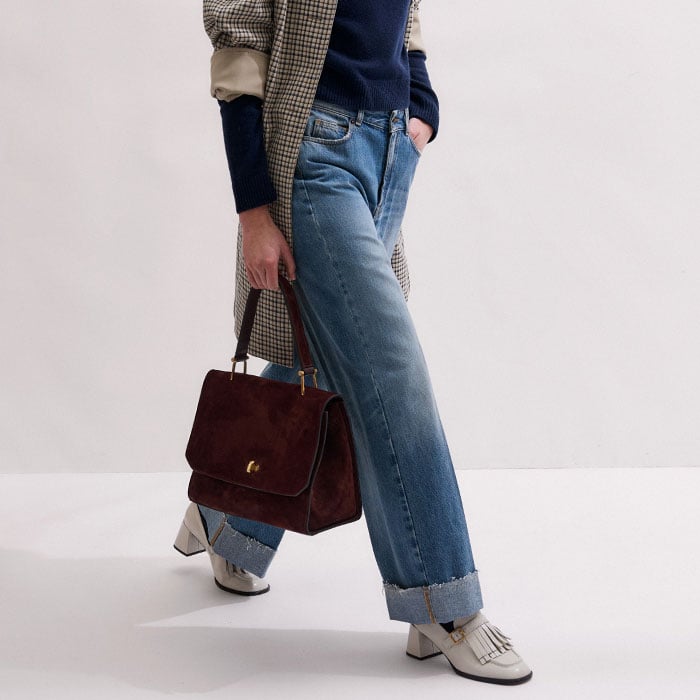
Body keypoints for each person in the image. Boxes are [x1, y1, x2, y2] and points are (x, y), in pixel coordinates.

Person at [174, 0, 532, 685]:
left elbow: (406, 14)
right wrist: (254, 210)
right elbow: (239, 40)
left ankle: (226, 517)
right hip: (313, 155)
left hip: (391, 150)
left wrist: (421, 103)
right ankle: (445, 607)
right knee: (392, 372)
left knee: (339, 358)